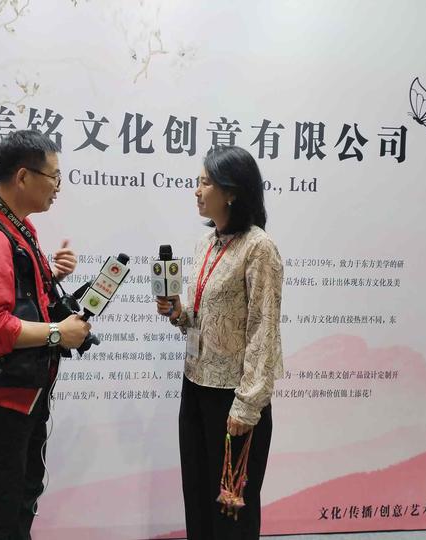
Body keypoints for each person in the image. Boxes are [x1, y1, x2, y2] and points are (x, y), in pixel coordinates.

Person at [0, 130, 91, 539]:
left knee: (13, 510)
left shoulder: (16, 228)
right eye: (54, 177)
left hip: (15, 400)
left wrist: (51, 275)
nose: (58, 188)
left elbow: (15, 299)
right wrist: (57, 334)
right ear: (24, 176)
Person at [156, 145, 283, 540]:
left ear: (231, 192)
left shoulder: (259, 247)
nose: (197, 190)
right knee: (197, 495)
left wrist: (248, 404)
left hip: (233, 397)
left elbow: (264, 329)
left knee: (231, 508)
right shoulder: (206, 243)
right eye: (197, 182)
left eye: (206, 183)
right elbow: (207, 319)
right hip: (195, 386)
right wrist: (179, 313)